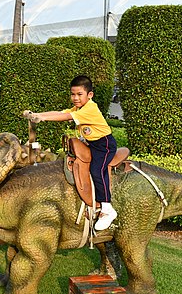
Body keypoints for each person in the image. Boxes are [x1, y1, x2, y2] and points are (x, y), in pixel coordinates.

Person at [27, 75, 118, 230]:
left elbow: (64, 117)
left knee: (97, 170)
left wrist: (42, 119)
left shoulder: (89, 108)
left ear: (90, 95)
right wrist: (39, 115)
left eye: (79, 94)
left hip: (104, 145)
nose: (75, 98)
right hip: (92, 143)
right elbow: (60, 111)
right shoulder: (79, 108)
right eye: (72, 94)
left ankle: (107, 208)